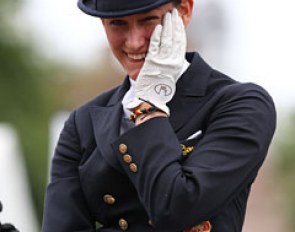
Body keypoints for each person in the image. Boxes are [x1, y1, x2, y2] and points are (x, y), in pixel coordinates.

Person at [42, 0, 276, 231]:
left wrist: (149, 105)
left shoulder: (241, 104)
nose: (134, 42)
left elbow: (177, 208)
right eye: (118, 24)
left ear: (184, 11)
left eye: (148, 21)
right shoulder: (82, 123)